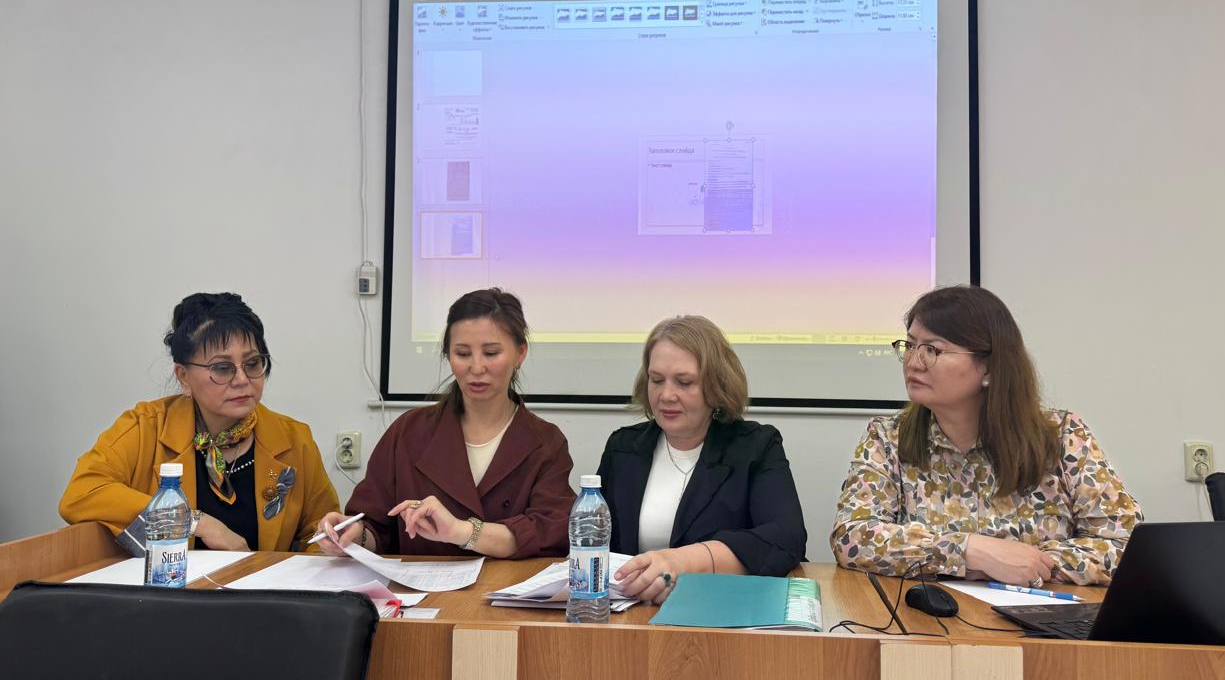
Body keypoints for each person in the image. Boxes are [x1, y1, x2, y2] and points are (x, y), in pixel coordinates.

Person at [831, 285, 1142, 587]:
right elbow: (852, 537)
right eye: (910, 346)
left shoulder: (1062, 436)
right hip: (928, 618)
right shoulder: (888, 437)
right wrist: (970, 552)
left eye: (933, 350)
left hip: (1041, 616)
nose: (914, 362)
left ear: (990, 367)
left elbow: (1126, 544)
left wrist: (1027, 563)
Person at [60, 292, 340, 554]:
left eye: (253, 363)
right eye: (222, 368)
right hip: (168, 588)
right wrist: (196, 522)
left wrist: (332, 544)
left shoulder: (294, 440)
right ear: (183, 376)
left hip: (262, 590)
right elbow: (80, 494)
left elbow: (318, 534)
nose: (242, 379)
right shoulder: (145, 428)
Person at [320, 288, 574, 558]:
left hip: (509, 585)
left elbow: (551, 532)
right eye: (462, 354)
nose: (477, 367)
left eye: (491, 353)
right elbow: (375, 528)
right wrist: (354, 536)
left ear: (520, 353)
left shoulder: (546, 442)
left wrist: (463, 531)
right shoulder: (408, 432)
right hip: (418, 585)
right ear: (447, 355)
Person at [598, 315, 807, 604]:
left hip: (723, 609)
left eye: (684, 382)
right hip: (635, 611)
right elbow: (597, 541)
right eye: (656, 380)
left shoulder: (755, 447)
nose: (666, 395)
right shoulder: (623, 448)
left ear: (717, 385)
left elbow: (786, 538)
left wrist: (684, 561)